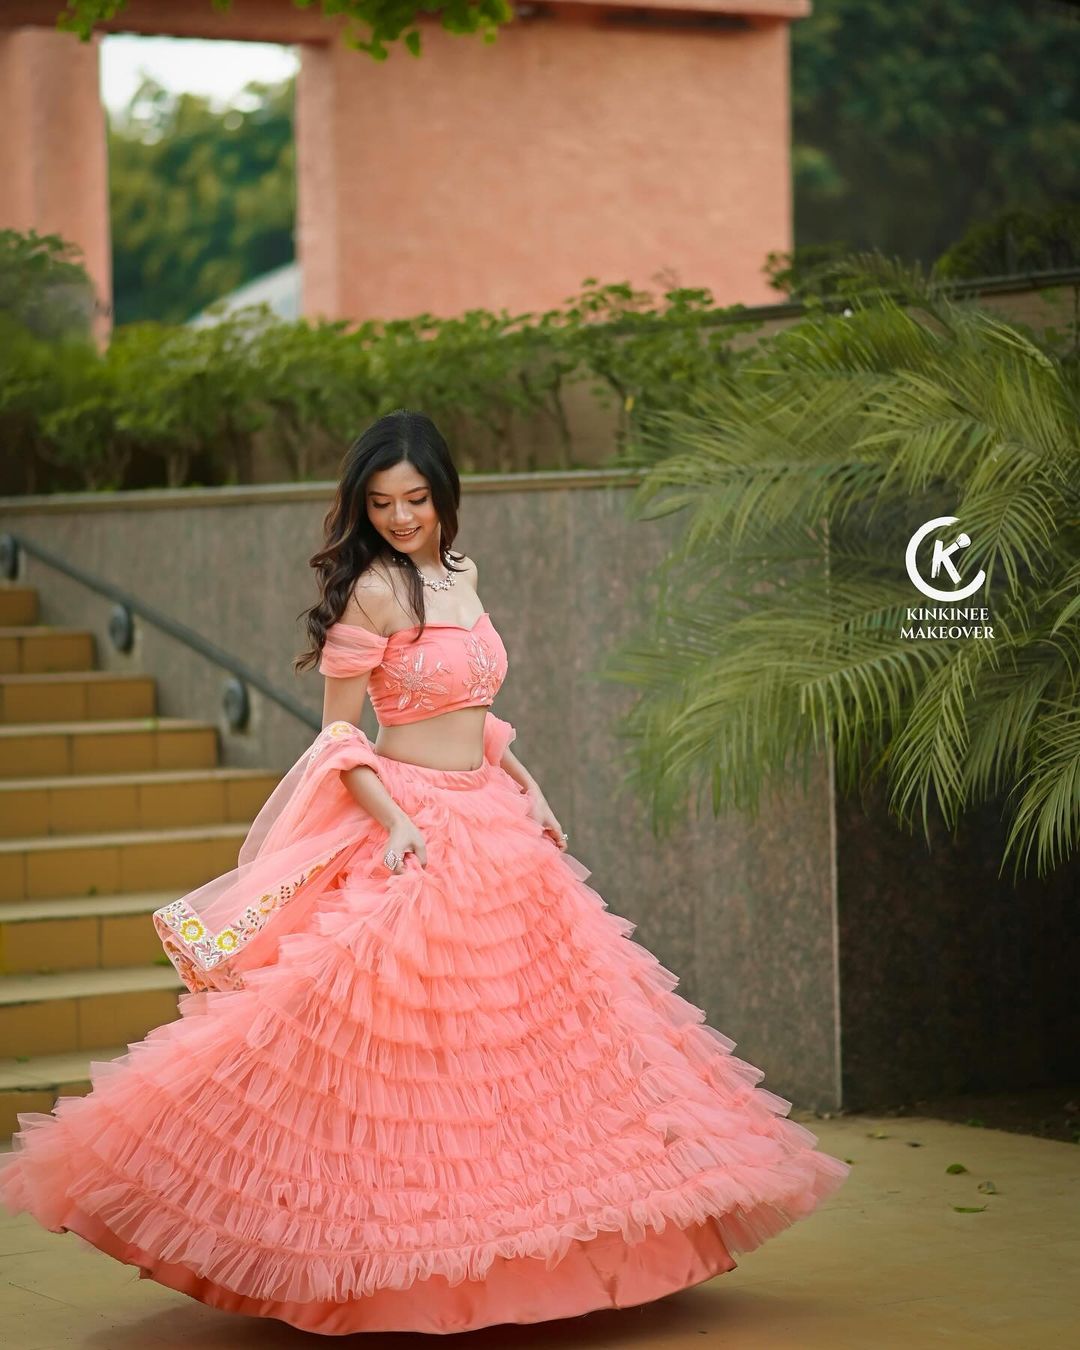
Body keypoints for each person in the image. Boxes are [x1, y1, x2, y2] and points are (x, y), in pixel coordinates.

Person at [0, 409, 849, 1336]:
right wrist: (397, 819)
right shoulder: (371, 592)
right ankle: (386, 1269)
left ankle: (543, 1258)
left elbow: (471, 704)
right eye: (382, 502)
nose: (402, 517)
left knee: (534, 1054)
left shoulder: (462, 576)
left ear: (445, 497)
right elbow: (336, 735)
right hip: (414, 825)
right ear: (362, 508)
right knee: (400, 1053)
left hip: (495, 820)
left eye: (416, 499)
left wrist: (531, 781)